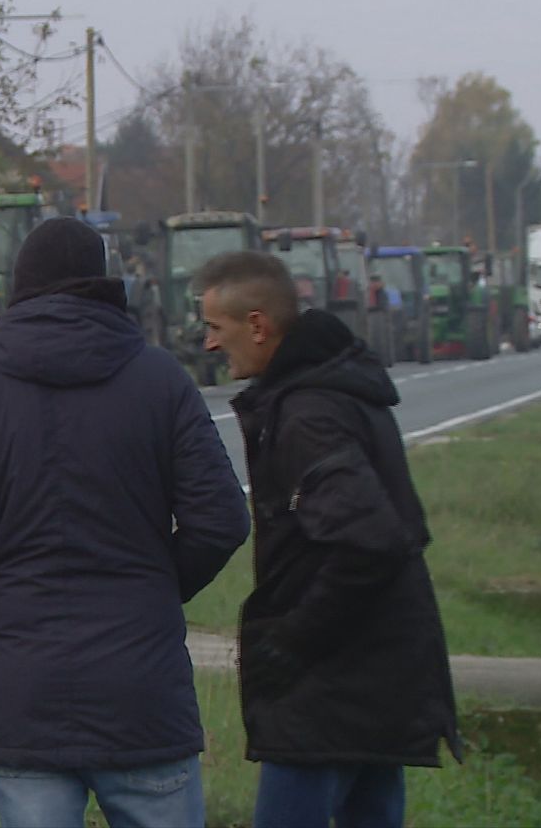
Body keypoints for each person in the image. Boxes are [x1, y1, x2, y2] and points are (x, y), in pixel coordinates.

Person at [0, 218, 249, 828]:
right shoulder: (160, 381)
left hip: (20, 690)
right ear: (106, 283)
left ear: (19, 288)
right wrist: (155, 586)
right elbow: (220, 519)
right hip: (141, 688)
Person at [195, 251, 460, 828]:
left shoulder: (308, 415)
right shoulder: (338, 389)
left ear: (258, 325)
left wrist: (292, 640)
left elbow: (370, 542)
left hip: (331, 688)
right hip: (377, 676)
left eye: (215, 326)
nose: (210, 344)